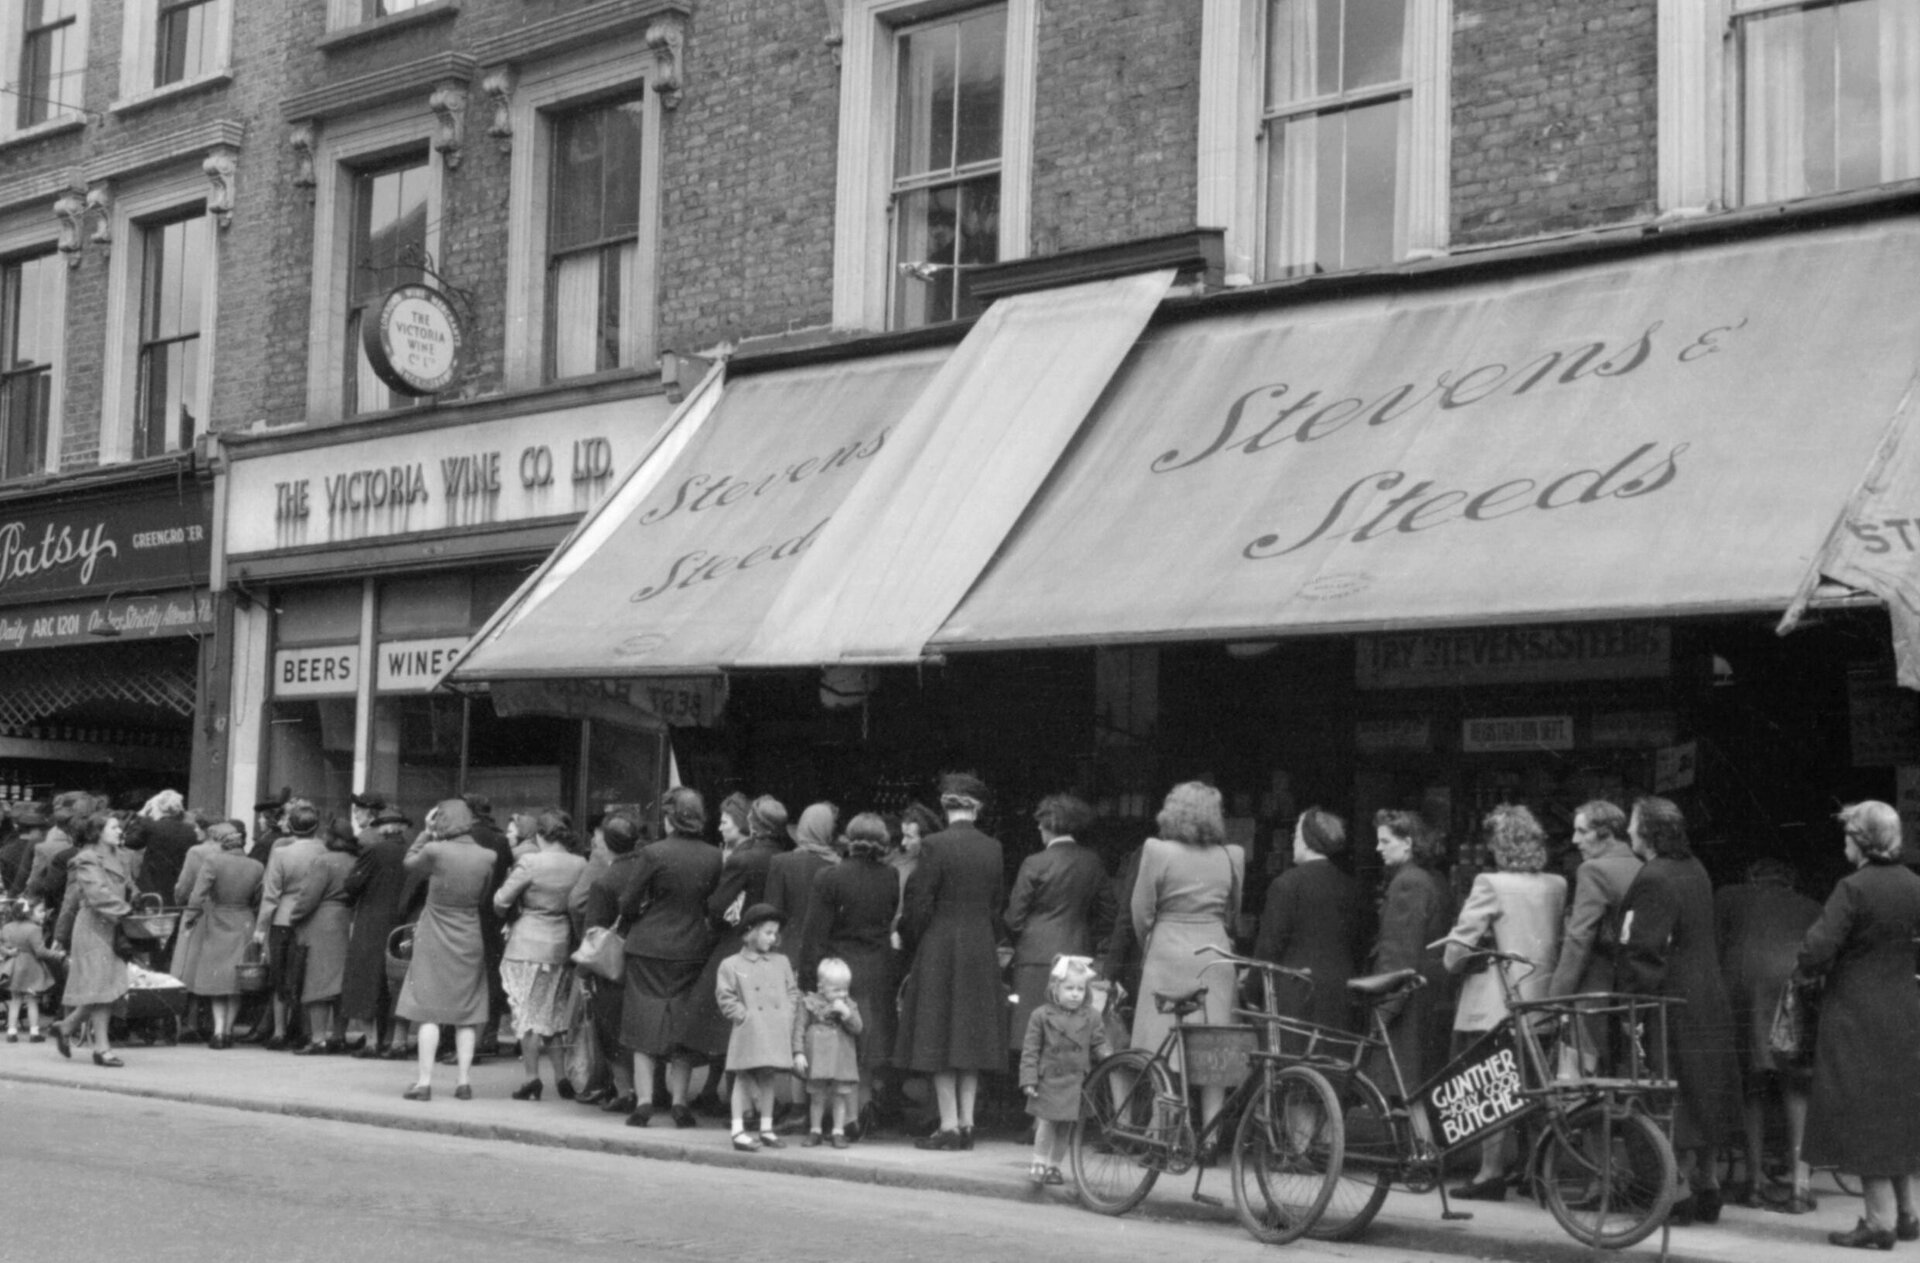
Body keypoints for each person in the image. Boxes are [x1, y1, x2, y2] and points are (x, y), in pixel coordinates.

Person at [1794, 801, 1920, 1250]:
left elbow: (1815, 950)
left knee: (1865, 1111)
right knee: (1899, 1110)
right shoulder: (1914, 885)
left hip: (1856, 1013)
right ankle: (1909, 1214)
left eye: (1848, 834)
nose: (1844, 841)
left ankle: (1879, 1221)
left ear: (1861, 840)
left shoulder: (1853, 888)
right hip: (1906, 1009)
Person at [1618, 795, 1740, 1225]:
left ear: (1647, 831)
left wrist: (1629, 1006)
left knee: (1670, 1091)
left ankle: (1678, 1193)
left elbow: (1645, 950)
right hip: (1707, 993)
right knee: (1703, 1090)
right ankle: (1706, 1184)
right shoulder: (1695, 868)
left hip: (1670, 1000)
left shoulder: (1654, 876)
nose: (1628, 831)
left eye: (1632, 823)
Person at [1442, 803, 1566, 1201]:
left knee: (1493, 1086)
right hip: (1543, 998)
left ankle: (1490, 1172)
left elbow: (1456, 951)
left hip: (1497, 1001)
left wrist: (1457, 957)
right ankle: (1533, 1170)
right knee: (1533, 1084)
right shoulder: (1557, 885)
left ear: (1500, 844)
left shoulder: (1489, 884)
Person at [896, 773, 1010, 1150]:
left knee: (939, 1034)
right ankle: (968, 1122)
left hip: (941, 945)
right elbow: (996, 906)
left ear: (946, 807)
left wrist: (914, 939)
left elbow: (919, 903)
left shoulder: (933, 845)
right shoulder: (994, 848)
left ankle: (948, 1126)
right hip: (980, 946)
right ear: (977, 808)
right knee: (969, 1036)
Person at [1131, 781, 1245, 1140]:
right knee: (1214, 1045)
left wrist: (1152, 941)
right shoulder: (1232, 855)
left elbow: (1141, 911)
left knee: (1161, 1044)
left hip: (1167, 949)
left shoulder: (1157, 850)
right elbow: (1234, 914)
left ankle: (1160, 1128)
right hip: (1215, 953)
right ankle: (1210, 1135)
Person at [1716, 856, 1821, 1212]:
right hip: (1792, 990)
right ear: (1790, 882)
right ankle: (1800, 1186)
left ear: (1752, 877)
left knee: (1753, 1086)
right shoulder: (1810, 906)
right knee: (1796, 1085)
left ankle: (1755, 1183)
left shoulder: (1731, 897)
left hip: (1743, 991)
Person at [619, 787, 723, 1128]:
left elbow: (628, 902)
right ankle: (680, 1102)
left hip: (649, 946)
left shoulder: (653, 853)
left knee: (643, 1021)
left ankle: (646, 1100)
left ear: (669, 817)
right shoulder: (713, 856)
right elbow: (712, 903)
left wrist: (639, 918)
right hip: (691, 947)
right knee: (681, 1025)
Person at [680, 795, 786, 1110]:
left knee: (727, 1027)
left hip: (739, 941)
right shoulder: (785, 855)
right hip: (773, 945)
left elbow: (716, 906)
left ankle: (738, 1105)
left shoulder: (744, 859)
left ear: (753, 823)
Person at [799, 811, 902, 1130]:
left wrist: (808, 981)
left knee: (843, 1041)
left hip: (840, 968)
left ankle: (845, 1116)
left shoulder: (830, 877)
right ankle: (864, 1108)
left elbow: (814, 934)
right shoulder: (891, 877)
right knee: (870, 1039)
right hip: (878, 966)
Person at [395, 799, 496, 1101]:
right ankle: (463, 1082)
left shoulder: (435, 851)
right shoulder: (487, 856)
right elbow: (485, 894)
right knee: (467, 1011)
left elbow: (409, 863)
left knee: (429, 1011)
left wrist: (426, 832)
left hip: (434, 933)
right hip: (469, 933)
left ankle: (424, 1083)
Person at [1004, 794, 1114, 1058]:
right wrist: (1086, 935)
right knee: (1069, 1038)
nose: (1038, 827)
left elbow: (1013, 918)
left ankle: (1033, 1094)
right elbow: (1109, 913)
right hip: (1077, 957)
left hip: (1034, 959)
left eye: (1041, 822)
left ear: (1051, 824)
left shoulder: (1034, 862)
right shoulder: (1092, 862)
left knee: (1032, 1039)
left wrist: (1021, 939)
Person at [493, 808, 590, 1101]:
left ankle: (532, 1078)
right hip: (561, 944)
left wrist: (517, 910)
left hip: (527, 942)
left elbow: (500, 900)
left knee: (526, 1013)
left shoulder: (530, 862)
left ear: (539, 836)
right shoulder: (580, 863)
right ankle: (561, 1077)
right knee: (554, 1013)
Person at [1546, 800, 1642, 1073]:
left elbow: (1579, 937)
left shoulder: (1593, 870)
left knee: (1582, 1073)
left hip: (1594, 990)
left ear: (1606, 832)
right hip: (1627, 991)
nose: (1575, 840)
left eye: (1582, 831)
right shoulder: (1638, 864)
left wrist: (1556, 997)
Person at [1256, 807, 1363, 1034]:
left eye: (1296, 835)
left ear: (1306, 840)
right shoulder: (1350, 886)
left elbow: (1268, 947)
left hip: (1297, 996)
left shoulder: (1286, 884)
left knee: (1295, 1067)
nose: (1294, 841)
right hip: (1341, 994)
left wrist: (1252, 992)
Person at [1368, 810, 1454, 1089]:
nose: (1378, 848)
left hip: (1407, 999)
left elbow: (1399, 951)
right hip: (1426, 993)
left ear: (1407, 843)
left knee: (1403, 1086)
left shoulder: (1408, 882)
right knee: (1421, 1085)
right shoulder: (1431, 878)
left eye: (1385, 841)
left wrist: (1383, 1008)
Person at [50, 811, 136, 1066]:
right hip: (93, 927)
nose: (120, 832)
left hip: (114, 925)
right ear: (97, 832)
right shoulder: (85, 859)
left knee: (110, 986)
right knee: (101, 987)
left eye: (119, 828)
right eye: (113, 828)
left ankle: (66, 1026)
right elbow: (96, 895)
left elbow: (129, 885)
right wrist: (127, 912)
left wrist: (137, 898)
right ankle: (101, 1048)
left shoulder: (121, 857)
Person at [1019, 954, 1111, 1186]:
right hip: (1050, 1078)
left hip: (1075, 1081)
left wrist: (1106, 1054)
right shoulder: (1040, 1016)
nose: (1075, 994)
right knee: (1047, 1122)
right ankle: (1039, 1162)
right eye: (1069, 988)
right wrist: (1029, 1079)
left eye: (1080, 989)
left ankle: (1054, 1166)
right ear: (1055, 988)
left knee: (1066, 1127)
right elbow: (1030, 1050)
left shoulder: (1091, 1017)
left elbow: (1098, 1042)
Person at [716, 902, 799, 1152]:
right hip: (750, 1029)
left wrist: (787, 1013)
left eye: (775, 934)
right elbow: (725, 996)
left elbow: (792, 991)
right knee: (742, 1076)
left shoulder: (781, 961)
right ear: (750, 931)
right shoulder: (731, 964)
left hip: (774, 1026)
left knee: (768, 1076)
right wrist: (743, 1016)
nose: (773, 939)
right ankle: (738, 1130)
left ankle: (766, 1128)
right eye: (767, 932)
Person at [578, 812, 644, 1112]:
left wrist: (583, 970)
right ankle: (651, 1089)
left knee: (610, 1027)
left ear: (608, 843)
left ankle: (624, 1090)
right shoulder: (647, 869)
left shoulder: (604, 882)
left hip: (612, 965)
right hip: (645, 960)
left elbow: (594, 932)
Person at [252, 799, 327, 1048]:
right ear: (316, 827)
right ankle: (305, 1030)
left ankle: (279, 1032)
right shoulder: (323, 850)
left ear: (291, 827)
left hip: (283, 917)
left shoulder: (282, 852)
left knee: (280, 976)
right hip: (313, 917)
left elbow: (270, 894)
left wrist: (261, 928)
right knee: (307, 975)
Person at [183, 822, 265, 1049]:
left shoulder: (213, 862)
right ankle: (228, 1030)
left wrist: (190, 917)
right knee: (236, 980)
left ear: (222, 845)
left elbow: (198, 894)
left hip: (218, 919)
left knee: (217, 979)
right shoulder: (257, 866)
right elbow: (259, 898)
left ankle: (218, 1031)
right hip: (244, 920)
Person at [342, 806, 411, 1057]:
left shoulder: (374, 851)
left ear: (383, 828)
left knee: (368, 980)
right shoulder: (411, 851)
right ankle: (396, 1040)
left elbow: (352, 884)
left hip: (371, 921)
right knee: (397, 983)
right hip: (402, 923)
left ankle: (372, 1041)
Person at [287, 816, 358, 1054]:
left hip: (323, 923)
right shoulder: (356, 860)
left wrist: (294, 917)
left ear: (332, 838)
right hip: (348, 920)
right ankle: (338, 1036)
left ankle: (318, 1039)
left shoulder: (323, 862)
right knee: (341, 985)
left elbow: (308, 897)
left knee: (318, 983)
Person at [796, 957, 864, 1148]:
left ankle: (838, 1131)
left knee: (839, 1096)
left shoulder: (848, 1005)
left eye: (845, 989)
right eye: (836, 990)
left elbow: (858, 1028)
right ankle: (815, 1130)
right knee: (817, 1096)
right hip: (817, 1056)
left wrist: (846, 1014)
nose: (842, 994)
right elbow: (799, 1028)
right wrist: (798, 1052)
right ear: (821, 987)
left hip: (840, 1057)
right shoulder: (809, 1003)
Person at [767, 801, 839, 972]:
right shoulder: (837, 867)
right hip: (824, 960)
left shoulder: (781, 862)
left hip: (785, 953)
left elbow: (771, 911)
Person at [126, 789, 198, 907]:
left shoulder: (150, 826)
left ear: (158, 807)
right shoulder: (191, 830)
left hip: (152, 885)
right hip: (179, 885)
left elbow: (129, 842)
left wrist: (141, 815)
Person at [2, 898, 57, 1041]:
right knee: (32, 1000)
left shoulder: (7, 927)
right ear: (29, 914)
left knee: (15, 1000)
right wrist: (56, 954)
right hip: (31, 967)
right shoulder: (34, 929)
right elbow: (40, 951)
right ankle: (34, 1032)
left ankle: (12, 1031)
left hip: (14, 966)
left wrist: (8, 952)